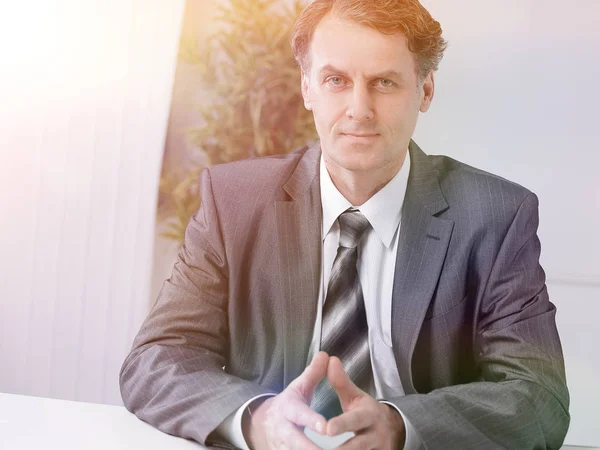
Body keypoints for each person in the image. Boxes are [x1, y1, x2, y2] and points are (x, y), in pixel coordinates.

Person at [119, 0, 570, 449]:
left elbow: (538, 394)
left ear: (426, 90)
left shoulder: (495, 215)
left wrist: (400, 426)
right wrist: (258, 419)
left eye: (384, 83)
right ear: (307, 87)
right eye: (336, 80)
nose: (359, 109)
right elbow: (155, 360)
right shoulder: (234, 201)